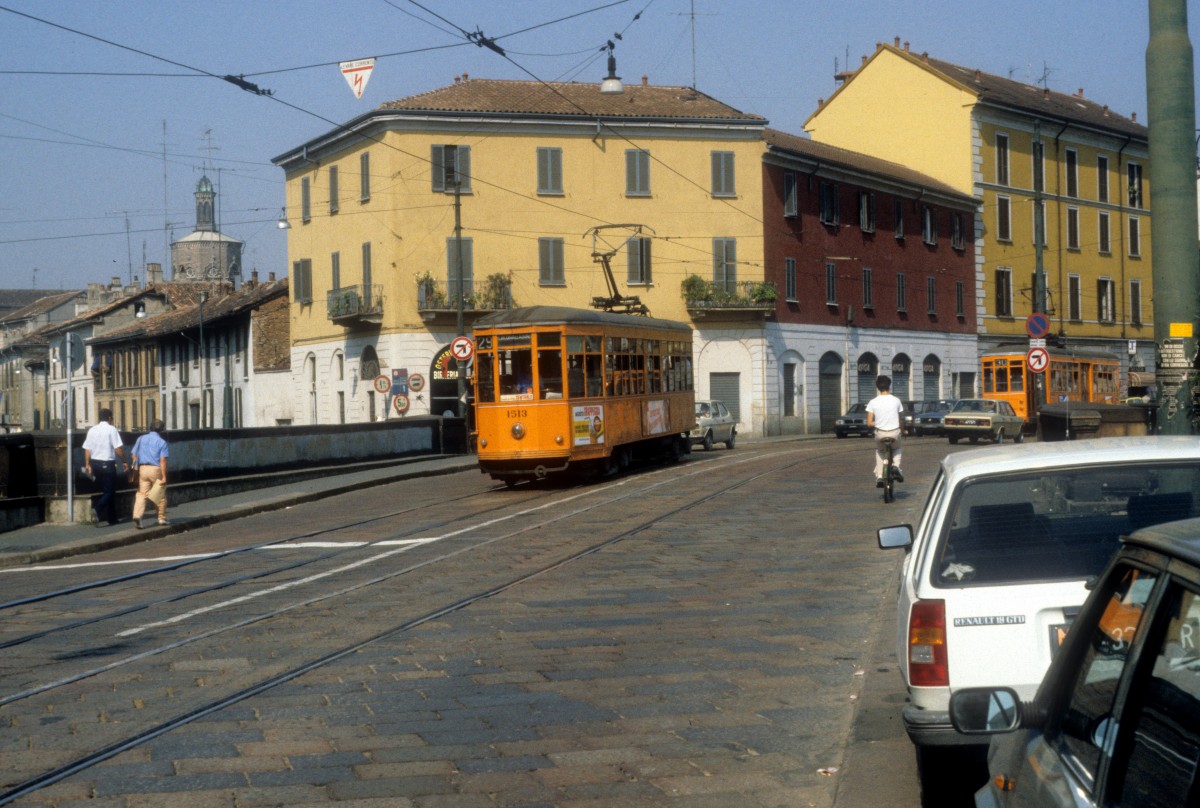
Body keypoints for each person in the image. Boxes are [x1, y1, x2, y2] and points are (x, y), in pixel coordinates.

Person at [83, 408, 127, 526]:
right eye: (111, 418)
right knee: (109, 491)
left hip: (95, 464)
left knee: (108, 491)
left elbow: (87, 449)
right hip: (107, 464)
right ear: (109, 418)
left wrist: (87, 464)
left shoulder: (92, 430)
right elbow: (118, 448)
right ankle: (97, 510)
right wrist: (124, 461)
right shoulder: (111, 429)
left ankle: (112, 519)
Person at [866, 375, 905, 488]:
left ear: (877, 387)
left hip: (880, 433)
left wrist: (878, 422)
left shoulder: (872, 402)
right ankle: (896, 467)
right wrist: (903, 430)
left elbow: (869, 423)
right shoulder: (896, 400)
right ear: (889, 385)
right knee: (897, 448)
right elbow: (900, 419)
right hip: (894, 432)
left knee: (880, 451)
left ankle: (879, 476)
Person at [130, 419, 170, 529]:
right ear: (161, 430)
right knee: (159, 494)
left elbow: (133, 455)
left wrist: (137, 467)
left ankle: (137, 515)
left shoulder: (141, 438)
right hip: (156, 469)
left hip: (143, 469)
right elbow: (162, 461)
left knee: (142, 494)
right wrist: (164, 476)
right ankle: (161, 518)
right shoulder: (162, 442)